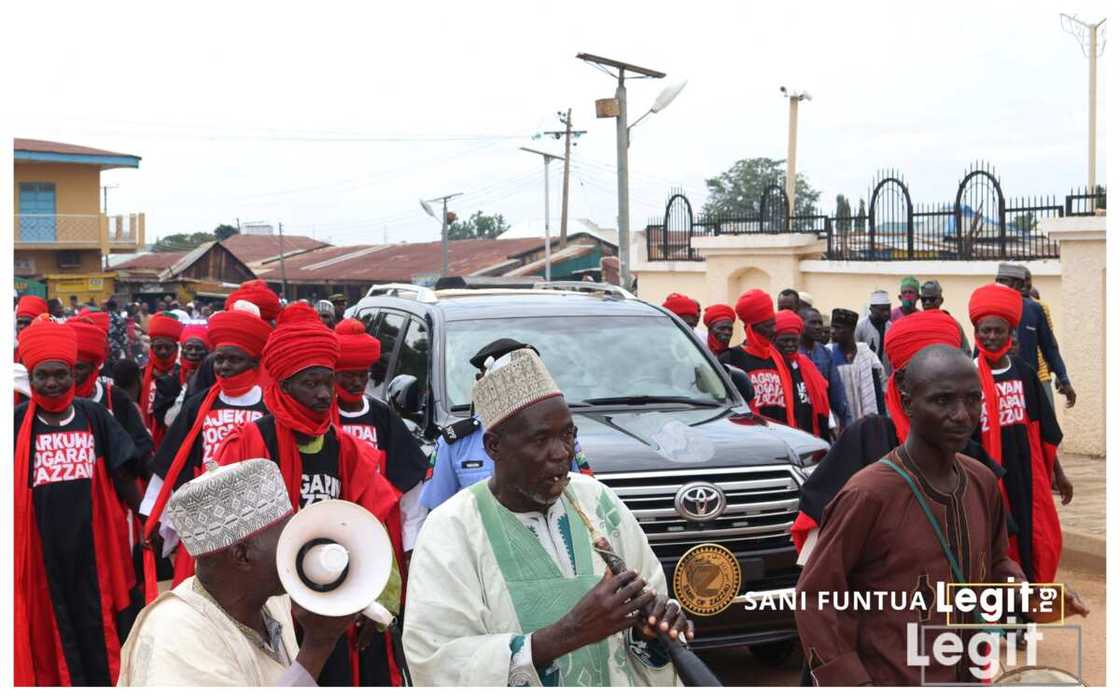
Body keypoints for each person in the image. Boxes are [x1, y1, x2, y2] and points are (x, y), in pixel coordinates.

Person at [795, 344, 1086, 686]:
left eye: (973, 399)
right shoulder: (868, 493)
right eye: (943, 400)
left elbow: (994, 564)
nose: (962, 414)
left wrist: (1033, 594)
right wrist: (853, 682)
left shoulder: (983, 482)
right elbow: (816, 594)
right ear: (907, 404)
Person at [403, 348, 691, 686]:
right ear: (494, 446)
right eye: (541, 439)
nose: (562, 453)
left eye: (567, 435)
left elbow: (650, 600)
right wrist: (568, 633)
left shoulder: (600, 503)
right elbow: (437, 661)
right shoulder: (451, 529)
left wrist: (649, 632)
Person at [214, 302, 407, 687]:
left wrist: (377, 602)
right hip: (267, 604)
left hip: (331, 601)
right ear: (283, 386)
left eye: (327, 382)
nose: (324, 395)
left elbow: (374, 527)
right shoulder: (247, 444)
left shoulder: (349, 450)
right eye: (310, 383)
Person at [117, 459, 357, 686]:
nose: (300, 547)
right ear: (241, 555)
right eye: (287, 537)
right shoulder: (177, 633)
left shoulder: (271, 601)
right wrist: (317, 646)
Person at [791, 310, 988, 556]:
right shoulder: (866, 440)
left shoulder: (972, 459)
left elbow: (994, 553)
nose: (959, 414)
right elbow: (816, 557)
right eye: (941, 397)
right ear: (904, 387)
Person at [15, 319, 143, 686]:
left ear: (74, 374)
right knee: (49, 628)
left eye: (60, 374)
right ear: (31, 377)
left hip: (94, 551)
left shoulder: (94, 417)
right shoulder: (17, 423)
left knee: (97, 625)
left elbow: (123, 474)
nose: (52, 383)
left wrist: (145, 520)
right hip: (41, 554)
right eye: (43, 376)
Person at [143, 302, 274, 594]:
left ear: (254, 363)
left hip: (257, 516)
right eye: (219, 359)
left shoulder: (270, 406)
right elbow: (172, 461)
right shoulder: (199, 405)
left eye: (234, 360)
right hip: (206, 516)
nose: (224, 367)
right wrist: (153, 516)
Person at [421, 338, 593, 512]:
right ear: (481, 380)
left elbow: (584, 496)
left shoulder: (559, 436)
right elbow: (436, 509)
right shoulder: (457, 442)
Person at [969, 283, 1068, 583]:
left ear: (1010, 335)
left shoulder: (1024, 372)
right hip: (987, 477)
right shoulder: (966, 376)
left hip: (1025, 476)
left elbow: (1043, 432)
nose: (991, 337)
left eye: (997, 331)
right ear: (976, 332)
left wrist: (1058, 474)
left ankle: (1025, 610)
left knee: (1030, 540)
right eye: (985, 330)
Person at [334, 318, 429, 552]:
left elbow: (410, 484)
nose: (357, 382)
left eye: (362, 374)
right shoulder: (320, 417)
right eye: (348, 375)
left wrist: (410, 545)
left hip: (377, 527)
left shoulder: (381, 415)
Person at [67, 317, 153, 471]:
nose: (72, 374)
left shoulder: (115, 397)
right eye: (67, 366)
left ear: (94, 367)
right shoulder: (50, 404)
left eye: (79, 367)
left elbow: (142, 445)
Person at [995, 264, 1075, 408]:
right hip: (997, 385)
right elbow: (979, 349)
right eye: (1000, 281)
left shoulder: (1034, 309)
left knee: (1043, 428)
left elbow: (1050, 348)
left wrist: (1064, 379)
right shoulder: (989, 308)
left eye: (1005, 282)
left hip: (1030, 383)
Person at [721, 289, 800, 425]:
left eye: (774, 323)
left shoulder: (778, 357)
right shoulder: (730, 359)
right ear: (752, 328)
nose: (774, 330)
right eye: (768, 326)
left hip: (782, 435)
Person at [772, 310, 830, 438]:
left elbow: (823, 396)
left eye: (794, 340)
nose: (790, 345)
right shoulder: (770, 367)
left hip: (809, 434)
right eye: (785, 341)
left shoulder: (806, 365)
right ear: (774, 340)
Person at [798, 307, 851, 430]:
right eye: (813, 323)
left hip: (824, 418)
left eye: (820, 323)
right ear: (800, 324)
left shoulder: (825, 353)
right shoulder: (793, 353)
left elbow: (837, 392)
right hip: (801, 418)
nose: (818, 327)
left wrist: (846, 424)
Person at [828, 308, 884, 421]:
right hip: (839, 419)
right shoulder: (828, 354)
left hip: (866, 420)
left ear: (851, 329)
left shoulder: (867, 355)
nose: (833, 331)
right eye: (832, 327)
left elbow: (877, 391)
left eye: (838, 328)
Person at [140, 313, 185, 449]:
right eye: (158, 348)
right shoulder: (141, 374)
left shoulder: (182, 374)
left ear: (176, 349)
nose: (163, 352)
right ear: (151, 349)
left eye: (168, 347)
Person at [918, 280, 971, 355]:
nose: (927, 302)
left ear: (941, 300)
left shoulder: (953, 324)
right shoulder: (916, 323)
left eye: (932, 299)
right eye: (924, 299)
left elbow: (966, 354)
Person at [1029, 286, 1058, 407]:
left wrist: (1059, 374)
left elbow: (1051, 344)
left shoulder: (1041, 311)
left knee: (1048, 418)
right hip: (1025, 377)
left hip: (1042, 376)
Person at [855, 290, 892, 373]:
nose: (886, 313)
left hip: (886, 375)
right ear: (871, 309)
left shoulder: (891, 327)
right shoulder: (860, 327)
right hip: (866, 374)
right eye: (882, 310)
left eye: (888, 309)